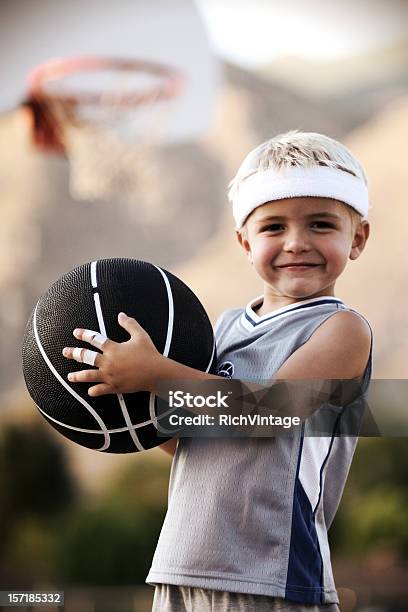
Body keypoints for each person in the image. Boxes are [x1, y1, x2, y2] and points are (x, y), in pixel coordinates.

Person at [63, 130, 372, 611]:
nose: (296, 242)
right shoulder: (224, 327)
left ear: (357, 238)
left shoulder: (341, 330)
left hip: (270, 575)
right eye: (273, 228)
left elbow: (265, 415)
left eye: (320, 224)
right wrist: (121, 401)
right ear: (244, 242)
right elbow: (194, 442)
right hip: (180, 563)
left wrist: (156, 375)